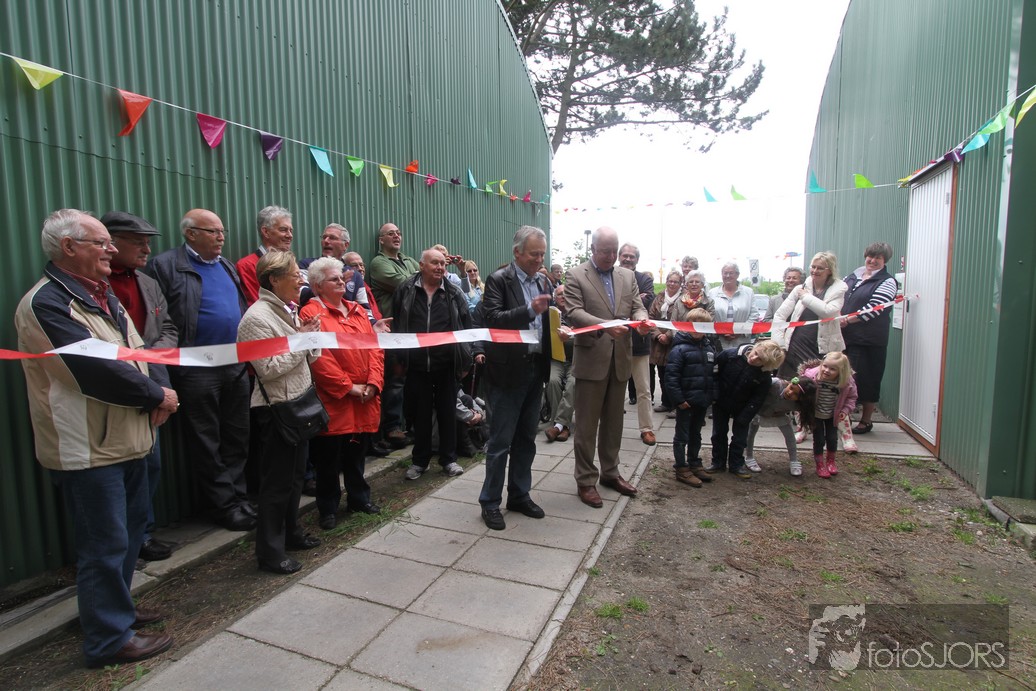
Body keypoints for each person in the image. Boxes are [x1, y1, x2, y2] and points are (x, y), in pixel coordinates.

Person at [16, 209, 177, 667]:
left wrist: (161, 393)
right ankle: (107, 639)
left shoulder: (102, 297)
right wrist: (157, 396)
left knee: (127, 536)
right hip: (88, 447)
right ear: (68, 247)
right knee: (104, 545)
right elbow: (91, 370)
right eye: (102, 242)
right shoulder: (47, 304)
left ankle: (116, 611)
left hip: (133, 435)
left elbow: (141, 351)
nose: (111, 250)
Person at [145, 209, 256, 532]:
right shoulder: (166, 266)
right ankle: (224, 506)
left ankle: (238, 497)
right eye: (213, 231)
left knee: (237, 435)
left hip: (234, 364)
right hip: (196, 369)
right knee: (206, 440)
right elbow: (159, 320)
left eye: (222, 231)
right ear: (190, 233)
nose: (221, 237)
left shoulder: (226, 266)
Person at [237, 251, 322, 574]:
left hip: (298, 403)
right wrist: (300, 341)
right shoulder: (256, 319)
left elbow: (309, 358)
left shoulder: (286, 309)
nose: (301, 280)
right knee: (276, 484)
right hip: (276, 409)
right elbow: (268, 369)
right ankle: (270, 552)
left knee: (295, 478)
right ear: (273, 279)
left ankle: (291, 533)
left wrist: (309, 337)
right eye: (295, 275)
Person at [102, 211, 179, 562]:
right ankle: (123, 544)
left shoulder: (147, 283)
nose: (146, 249)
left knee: (151, 464)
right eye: (137, 242)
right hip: (116, 389)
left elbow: (169, 328)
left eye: (147, 242)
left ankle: (142, 534)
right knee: (120, 474)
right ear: (111, 242)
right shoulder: (97, 287)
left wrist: (147, 355)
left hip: (155, 385)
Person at [563, 227, 651, 508]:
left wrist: (642, 319)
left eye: (614, 251)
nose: (611, 256)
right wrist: (606, 326)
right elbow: (574, 311)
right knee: (586, 426)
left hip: (620, 358)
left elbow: (637, 306)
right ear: (593, 249)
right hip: (591, 358)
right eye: (605, 251)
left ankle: (610, 473)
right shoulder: (576, 275)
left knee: (614, 424)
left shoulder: (627, 276)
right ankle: (585, 479)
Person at [301, 257, 384, 530]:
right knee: (328, 458)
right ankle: (328, 508)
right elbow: (318, 359)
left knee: (357, 453)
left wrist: (373, 382)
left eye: (341, 278)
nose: (341, 282)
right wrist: (348, 387)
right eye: (334, 279)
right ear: (317, 286)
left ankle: (359, 499)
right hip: (335, 399)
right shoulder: (311, 313)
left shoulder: (357, 311)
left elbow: (375, 349)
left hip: (364, 397)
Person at [478, 226, 552, 530]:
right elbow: (493, 320)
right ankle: (490, 502)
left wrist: (558, 327)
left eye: (542, 254)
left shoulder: (544, 281)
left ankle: (519, 495)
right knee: (500, 442)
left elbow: (547, 320)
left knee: (526, 439)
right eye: (534, 254)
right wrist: (529, 310)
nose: (539, 260)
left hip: (535, 368)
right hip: (507, 372)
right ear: (517, 252)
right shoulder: (499, 280)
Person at [392, 248, 472, 480]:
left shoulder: (454, 292)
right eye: (435, 263)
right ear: (421, 265)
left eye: (442, 264)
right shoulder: (406, 289)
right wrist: (399, 358)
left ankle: (449, 460)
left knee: (448, 413)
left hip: (447, 364)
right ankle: (420, 461)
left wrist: (465, 360)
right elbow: (397, 324)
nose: (440, 267)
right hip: (416, 365)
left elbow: (466, 326)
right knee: (421, 415)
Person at [368, 222, 420, 449]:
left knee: (413, 379)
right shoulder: (379, 263)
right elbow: (406, 285)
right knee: (395, 380)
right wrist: (419, 276)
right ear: (381, 239)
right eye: (391, 233)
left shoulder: (408, 260)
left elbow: (423, 281)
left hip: (412, 330)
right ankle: (392, 427)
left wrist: (418, 276)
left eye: (398, 233)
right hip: (392, 331)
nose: (397, 236)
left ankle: (411, 424)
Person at [840, 242, 898, 434]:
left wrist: (847, 320)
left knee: (867, 380)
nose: (872, 261)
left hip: (869, 341)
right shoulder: (852, 276)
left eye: (878, 258)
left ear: (884, 260)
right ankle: (844, 418)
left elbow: (875, 308)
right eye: (870, 257)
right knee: (844, 379)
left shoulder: (888, 282)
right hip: (845, 338)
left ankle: (866, 421)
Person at [708, 340, 785, 478]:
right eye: (755, 353)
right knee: (718, 433)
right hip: (721, 401)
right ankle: (718, 462)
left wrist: (746, 415)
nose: (754, 358)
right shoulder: (730, 355)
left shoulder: (764, 376)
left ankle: (736, 464)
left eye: (760, 359)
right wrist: (714, 394)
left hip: (743, 407)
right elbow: (714, 373)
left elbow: (758, 398)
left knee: (740, 437)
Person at [771, 252, 847, 380]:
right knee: (787, 385)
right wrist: (780, 345)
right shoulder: (799, 289)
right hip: (795, 346)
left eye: (820, 268)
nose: (815, 271)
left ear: (829, 270)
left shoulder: (839, 290)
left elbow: (828, 312)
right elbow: (779, 315)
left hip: (821, 350)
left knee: (814, 385)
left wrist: (805, 297)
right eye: (813, 267)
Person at [664, 308, 717, 488]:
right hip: (686, 402)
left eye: (703, 325)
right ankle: (681, 467)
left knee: (696, 434)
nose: (698, 329)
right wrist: (679, 400)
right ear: (687, 325)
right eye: (694, 324)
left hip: (702, 401)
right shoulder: (679, 349)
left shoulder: (709, 347)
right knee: (682, 436)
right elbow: (671, 378)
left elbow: (713, 374)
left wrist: (711, 396)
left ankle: (694, 462)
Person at [618, 243, 657, 445]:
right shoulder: (610, 277)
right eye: (624, 255)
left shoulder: (644, 279)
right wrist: (634, 301)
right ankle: (610, 426)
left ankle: (647, 429)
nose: (627, 259)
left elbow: (646, 302)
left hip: (639, 343)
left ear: (637, 259)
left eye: (631, 256)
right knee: (614, 388)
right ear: (619, 257)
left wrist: (626, 305)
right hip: (616, 341)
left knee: (643, 389)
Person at [797, 352, 857, 478]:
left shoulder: (847, 382)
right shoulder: (812, 376)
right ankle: (819, 464)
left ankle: (831, 461)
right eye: (825, 366)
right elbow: (800, 390)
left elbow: (851, 398)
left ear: (841, 371)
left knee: (832, 439)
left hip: (833, 416)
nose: (827, 370)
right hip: (816, 414)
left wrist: (845, 410)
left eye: (833, 369)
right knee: (819, 440)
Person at [744, 377, 816, 477]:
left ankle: (794, 460)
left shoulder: (798, 405)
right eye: (791, 388)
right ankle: (748, 456)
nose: (790, 393)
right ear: (789, 383)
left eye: (796, 394)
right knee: (750, 433)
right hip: (758, 412)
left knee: (790, 436)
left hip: (779, 415)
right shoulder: (775, 384)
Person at [236, 205, 294, 305]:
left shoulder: (291, 265)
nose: (290, 235)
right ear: (266, 232)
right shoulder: (247, 265)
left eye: (291, 230)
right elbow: (256, 304)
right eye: (283, 230)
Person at [649, 270, 684, 413]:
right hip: (658, 341)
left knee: (674, 374)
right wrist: (658, 335)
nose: (672, 284)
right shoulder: (659, 297)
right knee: (661, 373)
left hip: (674, 341)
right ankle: (666, 403)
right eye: (670, 281)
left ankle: (676, 405)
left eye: (676, 281)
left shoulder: (683, 299)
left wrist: (668, 335)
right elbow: (651, 316)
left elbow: (681, 319)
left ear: (680, 284)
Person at [544, 284, 575, 442]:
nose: (563, 296)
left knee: (572, 383)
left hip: (575, 359)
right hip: (557, 358)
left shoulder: (577, 312)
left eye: (566, 293)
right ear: (555, 298)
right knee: (553, 381)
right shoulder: (549, 314)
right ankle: (560, 425)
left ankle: (559, 426)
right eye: (560, 294)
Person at [708, 262, 757, 348]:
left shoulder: (748, 293)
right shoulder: (712, 293)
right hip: (718, 342)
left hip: (742, 342)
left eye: (731, 273)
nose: (728, 276)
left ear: (737, 275)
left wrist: (740, 331)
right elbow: (709, 315)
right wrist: (721, 331)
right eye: (725, 273)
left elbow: (754, 315)